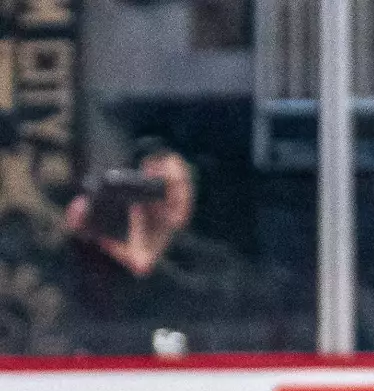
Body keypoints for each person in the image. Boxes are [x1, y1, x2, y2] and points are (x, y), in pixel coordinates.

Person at [61, 143, 256, 354]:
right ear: (135, 192)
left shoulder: (214, 261)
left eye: (183, 184)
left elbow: (219, 309)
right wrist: (80, 236)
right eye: (161, 187)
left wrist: (149, 269)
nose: (176, 196)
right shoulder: (101, 261)